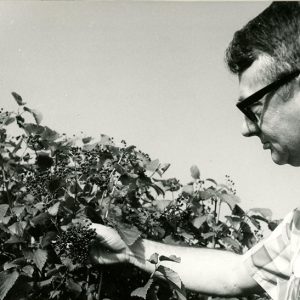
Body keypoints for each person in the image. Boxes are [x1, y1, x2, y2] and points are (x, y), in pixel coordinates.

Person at [90, 2, 300, 299]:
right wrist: (129, 248)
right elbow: (234, 275)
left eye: (252, 108)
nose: (246, 128)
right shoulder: (296, 231)